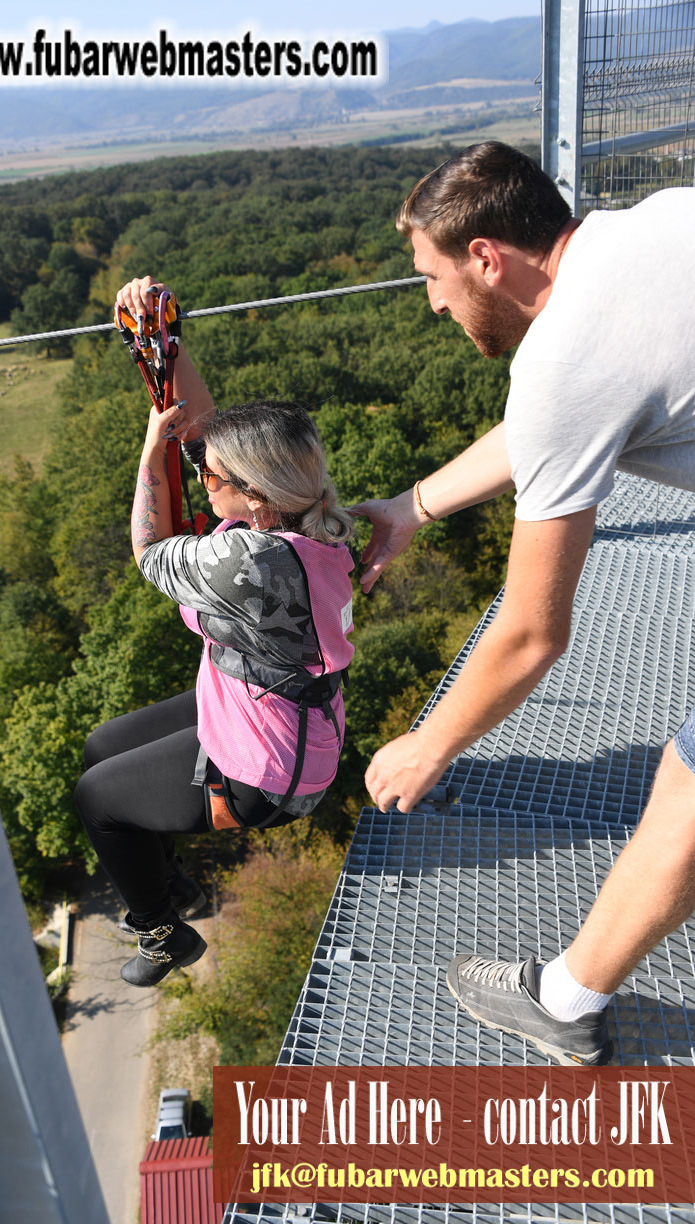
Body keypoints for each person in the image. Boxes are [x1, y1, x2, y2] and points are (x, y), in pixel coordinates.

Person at [354, 141, 695, 1065]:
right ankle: (570, 992)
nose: (430, 302)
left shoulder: (561, 363)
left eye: (430, 275)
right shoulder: (656, 221)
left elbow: (532, 633)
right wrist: (414, 506)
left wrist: (429, 744)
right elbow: (556, 424)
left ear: (486, 258)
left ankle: (564, 1004)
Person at [74, 277, 355, 988]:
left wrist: (148, 452)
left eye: (213, 475)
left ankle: (164, 933)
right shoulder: (308, 518)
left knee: (99, 801)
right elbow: (201, 428)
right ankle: (172, 888)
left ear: (253, 495)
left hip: (264, 775)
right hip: (263, 709)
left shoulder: (249, 562)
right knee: (101, 746)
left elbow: (147, 551)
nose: (201, 474)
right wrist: (166, 340)